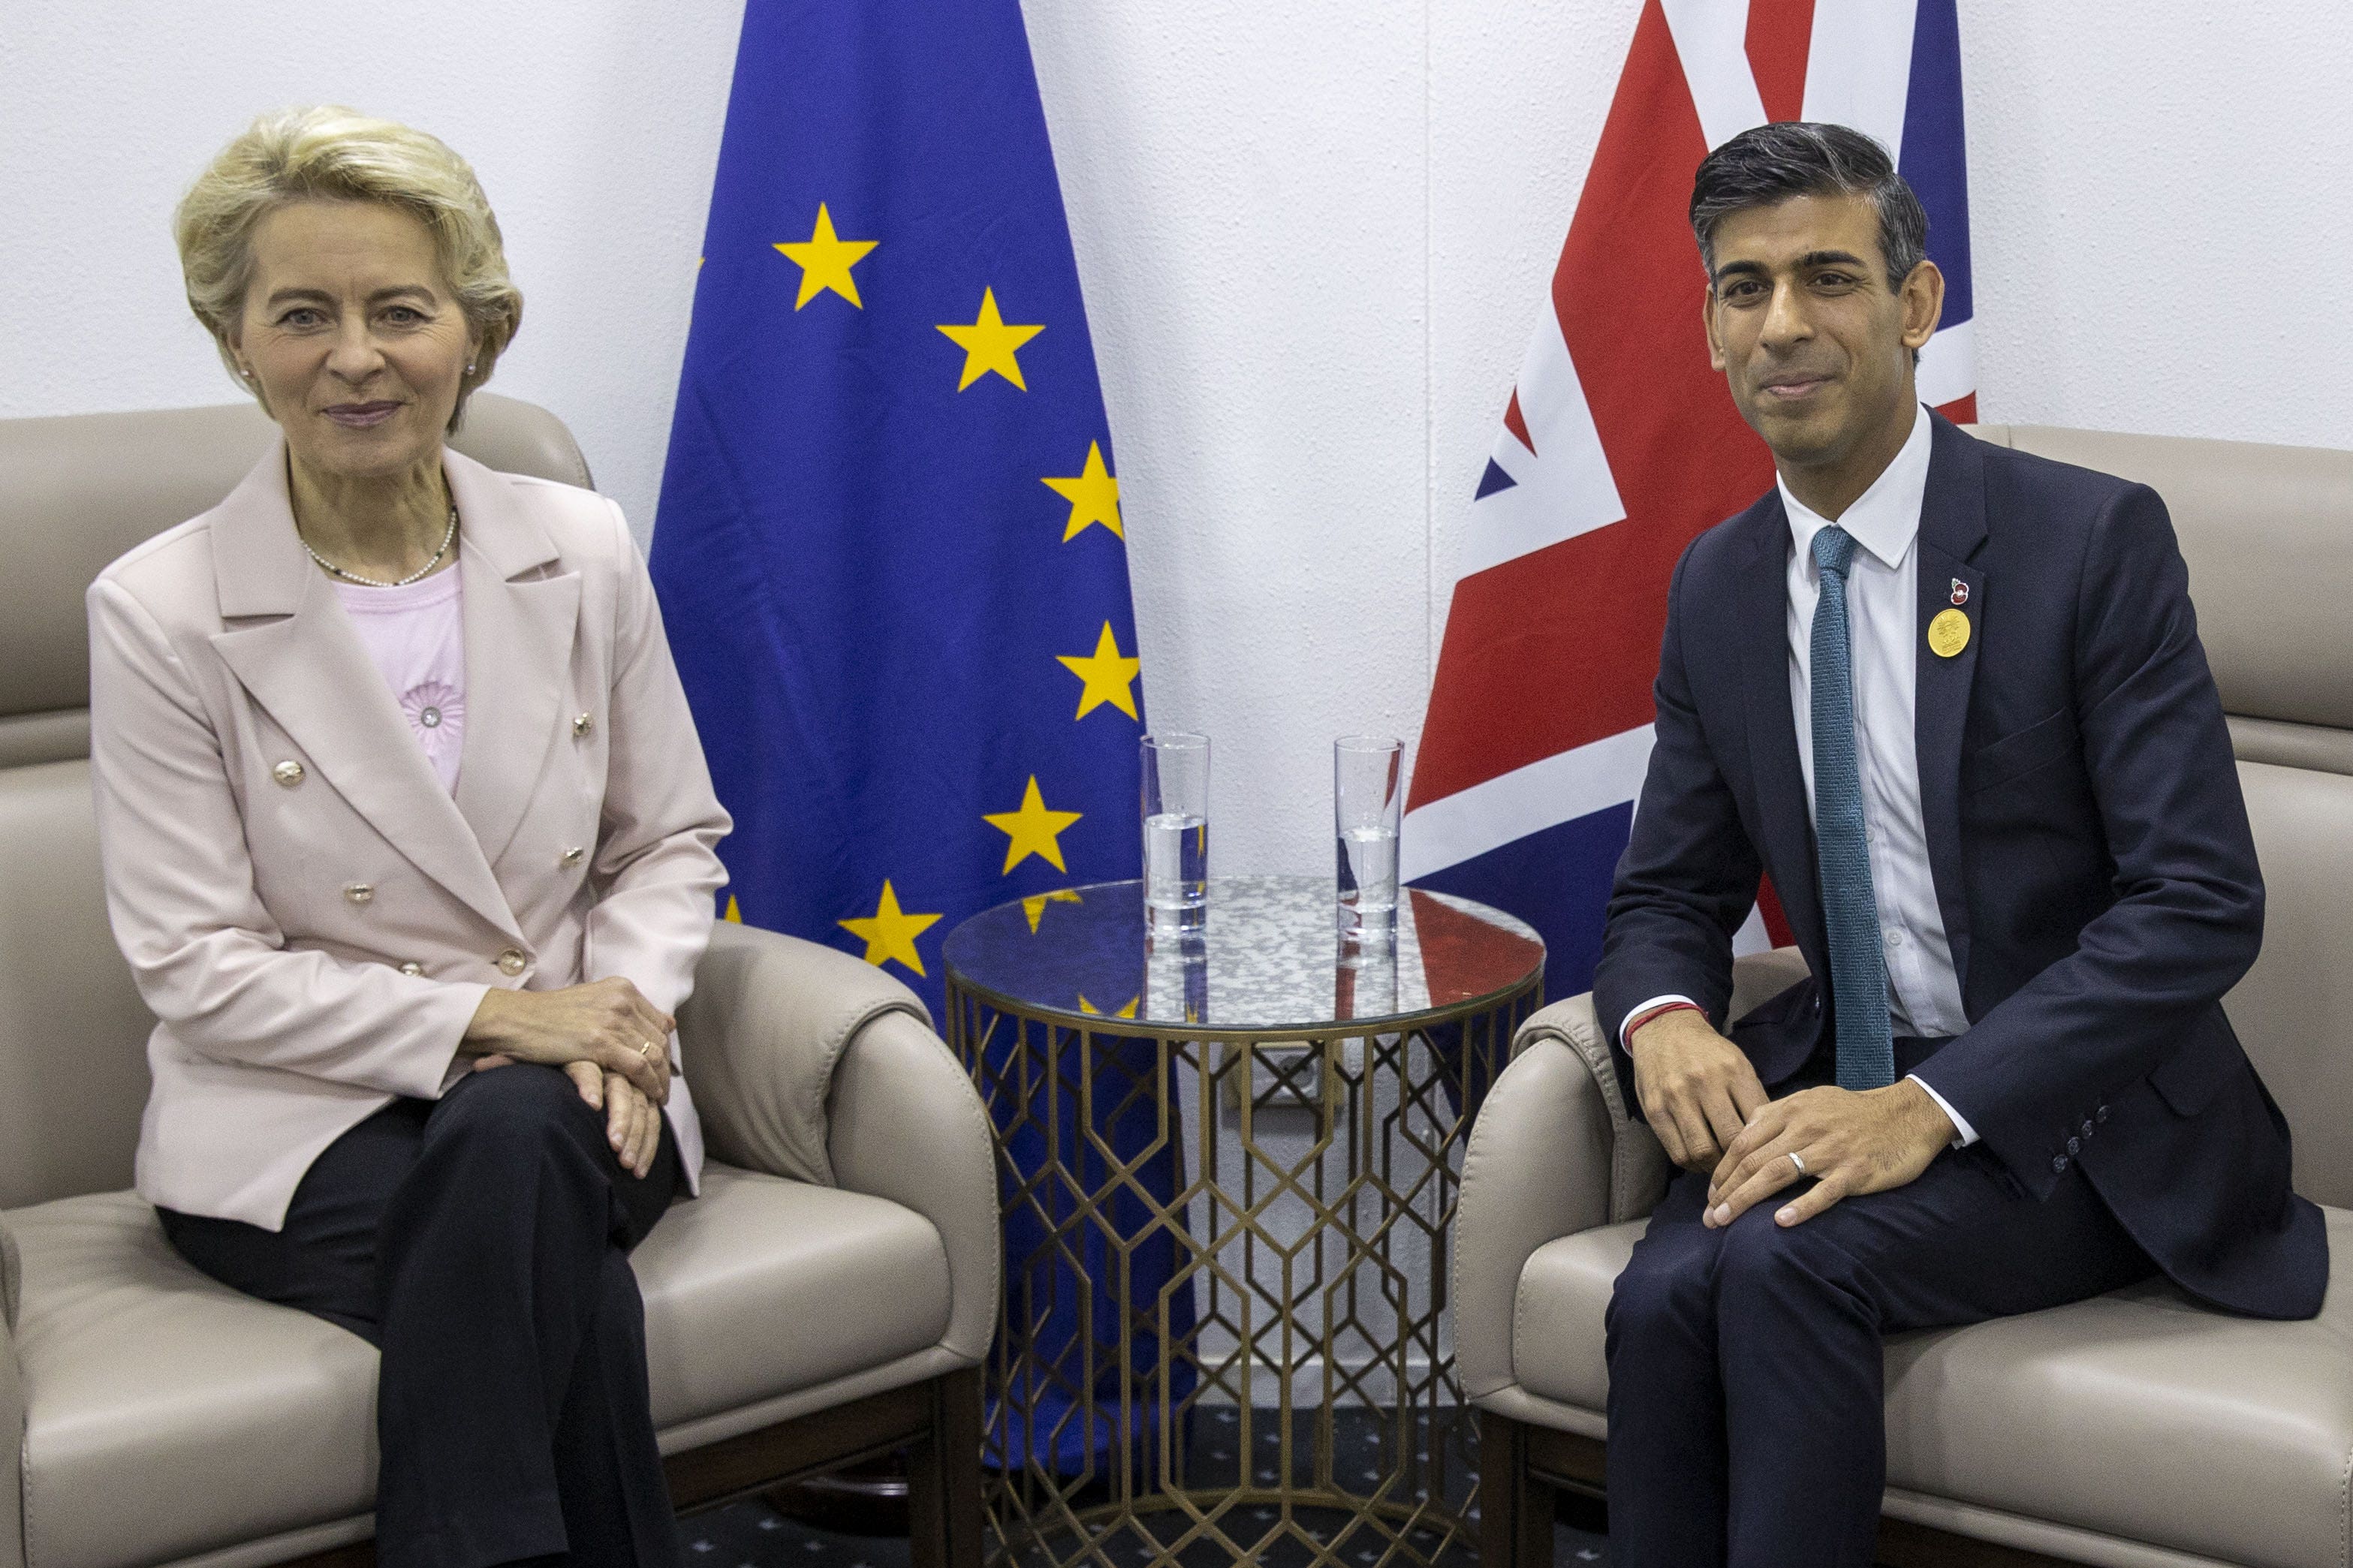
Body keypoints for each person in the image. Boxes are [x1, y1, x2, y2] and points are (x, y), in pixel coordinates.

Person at [1592, 121, 2326, 1568]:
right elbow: (1668, 891)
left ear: (1915, 305)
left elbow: (2198, 900)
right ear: (1709, 325)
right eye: (1743, 289)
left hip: (2082, 1123)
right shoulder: (1722, 582)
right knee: (1659, 1296)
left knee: (1780, 1270)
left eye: (1827, 278)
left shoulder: (2085, 541)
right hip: (1842, 1081)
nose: (1783, 326)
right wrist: (1665, 1015)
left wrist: (1929, 1104)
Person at [87, 106, 731, 1568]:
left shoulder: (583, 548)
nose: (355, 355)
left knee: (515, 1140)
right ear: (236, 342)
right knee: (545, 1234)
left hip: (582, 1087)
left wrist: (617, 1018)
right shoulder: (163, 607)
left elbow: (669, 840)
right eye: (301, 313)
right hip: (294, 1126)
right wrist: (511, 1018)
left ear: (480, 333)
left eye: (400, 309)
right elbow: (195, 965)